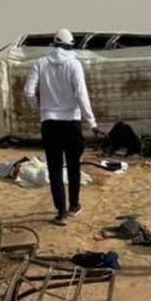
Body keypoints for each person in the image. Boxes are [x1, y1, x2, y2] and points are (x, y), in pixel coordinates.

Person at [24, 28, 99, 224]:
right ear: (70, 45)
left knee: (55, 169)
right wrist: (92, 122)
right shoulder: (74, 64)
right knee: (73, 166)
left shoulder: (40, 63)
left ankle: (61, 212)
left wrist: (40, 110)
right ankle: (74, 205)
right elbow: (81, 95)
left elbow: (28, 92)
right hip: (71, 122)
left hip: (49, 123)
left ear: (54, 44)